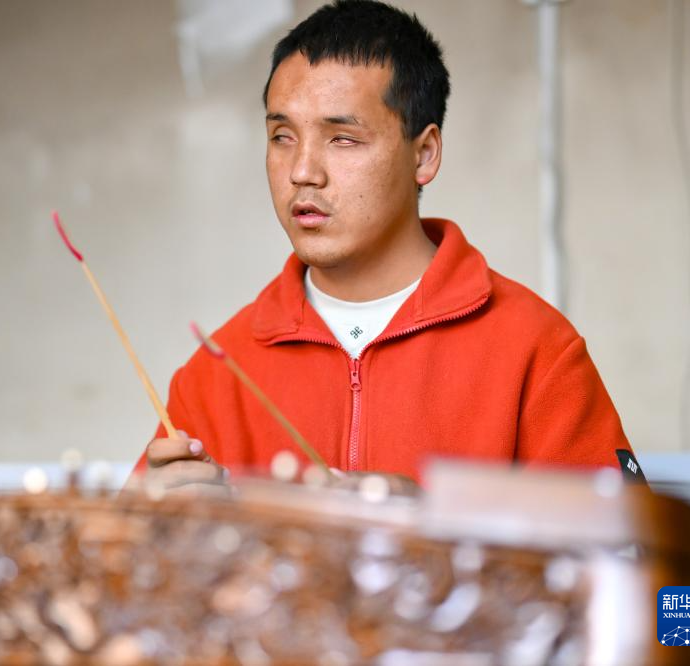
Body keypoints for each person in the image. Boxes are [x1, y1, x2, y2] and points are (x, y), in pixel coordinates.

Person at [138, 0, 631, 492]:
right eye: (282, 136)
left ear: (424, 154)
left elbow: (627, 538)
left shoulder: (535, 349)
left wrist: (423, 518)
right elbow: (130, 533)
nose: (302, 171)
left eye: (342, 139)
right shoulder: (217, 369)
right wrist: (148, 524)